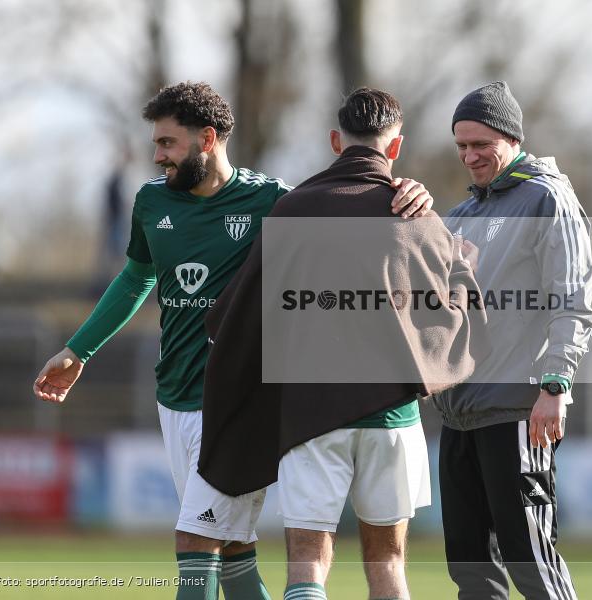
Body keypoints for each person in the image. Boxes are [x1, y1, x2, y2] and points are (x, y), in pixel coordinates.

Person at [32, 81, 434, 600]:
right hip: (173, 395)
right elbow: (136, 278)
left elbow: (349, 226)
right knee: (233, 550)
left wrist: (410, 194)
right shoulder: (152, 202)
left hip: (237, 399)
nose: (157, 157)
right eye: (155, 144)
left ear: (207, 139)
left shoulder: (274, 200)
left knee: (195, 541)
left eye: (167, 144)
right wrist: (78, 349)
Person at [198, 87, 488, 600]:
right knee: (389, 564)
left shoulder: (292, 210)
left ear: (336, 141)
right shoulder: (416, 214)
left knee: (307, 562)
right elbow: (458, 306)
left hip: (311, 415)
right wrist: (459, 255)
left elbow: (238, 318)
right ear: (394, 148)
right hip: (393, 421)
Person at [433, 81, 592, 600]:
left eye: (481, 143)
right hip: (459, 414)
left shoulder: (547, 197)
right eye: (461, 146)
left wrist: (555, 386)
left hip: (517, 410)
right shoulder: (460, 216)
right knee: (470, 571)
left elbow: (572, 301)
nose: (470, 156)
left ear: (510, 137)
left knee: (530, 561)